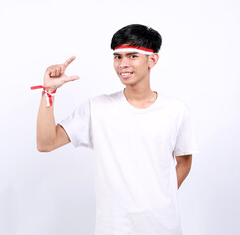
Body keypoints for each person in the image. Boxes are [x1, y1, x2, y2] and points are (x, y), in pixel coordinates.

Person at [34, 24, 198, 235]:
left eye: (132, 56)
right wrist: (49, 92)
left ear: (152, 60)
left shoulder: (176, 110)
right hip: (114, 228)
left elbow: (184, 162)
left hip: (162, 226)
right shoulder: (97, 108)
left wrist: (158, 199)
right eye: (117, 57)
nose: (123, 64)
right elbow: (46, 143)